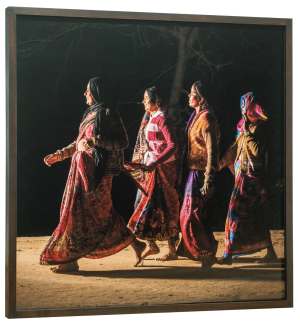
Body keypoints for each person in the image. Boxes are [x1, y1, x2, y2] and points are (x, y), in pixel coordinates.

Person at [40, 77, 144, 272]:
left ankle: (133, 242)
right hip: (79, 173)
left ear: (96, 92)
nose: (85, 94)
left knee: (101, 214)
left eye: (88, 90)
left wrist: (96, 141)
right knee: (74, 213)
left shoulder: (108, 112)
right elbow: (79, 142)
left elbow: (122, 141)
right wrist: (59, 155)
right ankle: (70, 260)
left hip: (99, 173)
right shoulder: (89, 114)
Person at [159, 81, 220, 268]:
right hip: (191, 173)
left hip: (200, 174)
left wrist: (209, 178)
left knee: (191, 215)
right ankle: (207, 249)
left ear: (200, 97)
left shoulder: (207, 118)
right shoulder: (196, 116)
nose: (188, 96)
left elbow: (213, 151)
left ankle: (206, 253)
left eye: (192, 93)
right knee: (192, 214)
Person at [218, 92, 277, 265]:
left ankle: (229, 254)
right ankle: (271, 253)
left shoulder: (262, 127)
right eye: (242, 106)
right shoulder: (242, 126)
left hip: (254, 180)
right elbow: (235, 147)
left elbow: (257, 151)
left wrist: (246, 132)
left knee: (235, 213)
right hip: (242, 177)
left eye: (245, 105)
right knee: (256, 216)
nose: (243, 109)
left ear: (252, 107)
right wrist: (222, 162)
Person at [127, 86, 180, 265]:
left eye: (145, 99)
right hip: (153, 168)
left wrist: (156, 162)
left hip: (164, 169)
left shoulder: (163, 119)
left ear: (155, 101)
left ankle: (172, 250)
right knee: (143, 206)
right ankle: (151, 244)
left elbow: (173, 145)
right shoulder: (152, 118)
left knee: (166, 206)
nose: (143, 102)